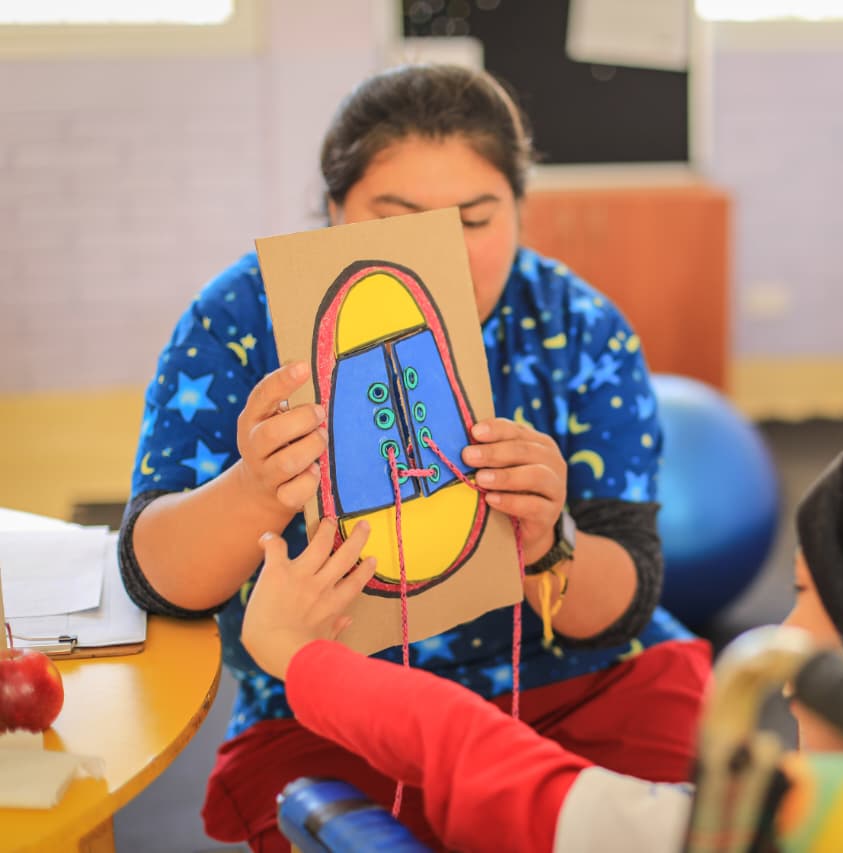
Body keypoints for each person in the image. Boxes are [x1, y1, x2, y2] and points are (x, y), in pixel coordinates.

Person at [119, 64, 709, 852]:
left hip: (573, 689)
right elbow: (156, 579)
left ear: (520, 212)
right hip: (328, 710)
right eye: (394, 218)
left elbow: (625, 597)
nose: (441, 252)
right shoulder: (238, 320)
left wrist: (547, 538)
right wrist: (255, 489)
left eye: (475, 219)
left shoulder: (580, 327)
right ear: (333, 210)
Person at [243, 424, 843, 851]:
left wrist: (300, 657)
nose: (781, 630)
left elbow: (476, 755)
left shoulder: (765, 828)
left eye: (805, 596)